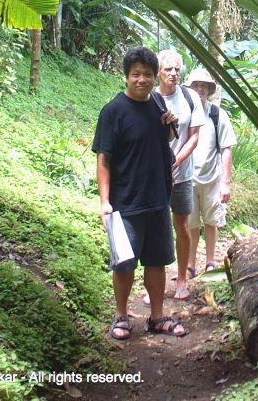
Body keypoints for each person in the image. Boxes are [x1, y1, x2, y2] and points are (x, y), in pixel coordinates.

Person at [92, 46, 187, 340]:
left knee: (157, 261)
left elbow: (163, 140)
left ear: (153, 75)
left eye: (147, 74)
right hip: (125, 202)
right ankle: (121, 316)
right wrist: (105, 202)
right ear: (126, 77)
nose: (142, 79)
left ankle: (156, 317)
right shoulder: (113, 111)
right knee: (124, 264)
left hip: (158, 198)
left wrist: (171, 126)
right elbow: (104, 160)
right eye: (136, 74)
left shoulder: (158, 103)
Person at [156, 49, 204, 300]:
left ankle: (182, 278)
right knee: (157, 227)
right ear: (158, 73)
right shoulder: (150, 98)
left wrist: (174, 162)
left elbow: (194, 136)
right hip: (155, 176)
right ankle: (157, 283)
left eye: (177, 69)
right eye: (168, 69)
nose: (173, 74)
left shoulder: (190, 97)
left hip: (182, 174)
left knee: (182, 225)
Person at [185, 69, 236, 273]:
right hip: (187, 178)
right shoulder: (184, 113)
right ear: (190, 88)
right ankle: (189, 265)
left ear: (209, 90)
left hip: (213, 177)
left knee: (212, 220)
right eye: (196, 85)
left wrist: (226, 182)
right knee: (191, 223)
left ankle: (210, 261)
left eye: (204, 86)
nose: (200, 89)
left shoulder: (217, 115)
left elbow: (226, 149)